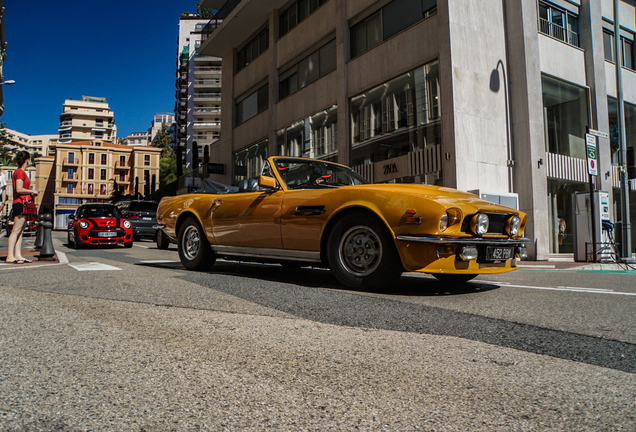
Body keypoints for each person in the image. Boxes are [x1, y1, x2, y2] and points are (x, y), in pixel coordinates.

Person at [6, 151, 39, 264]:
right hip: (20, 203)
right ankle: (10, 255)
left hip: (22, 203)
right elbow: (19, 189)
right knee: (16, 230)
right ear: (27, 160)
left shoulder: (20, 172)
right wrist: (32, 191)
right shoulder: (20, 172)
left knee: (20, 231)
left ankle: (18, 255)